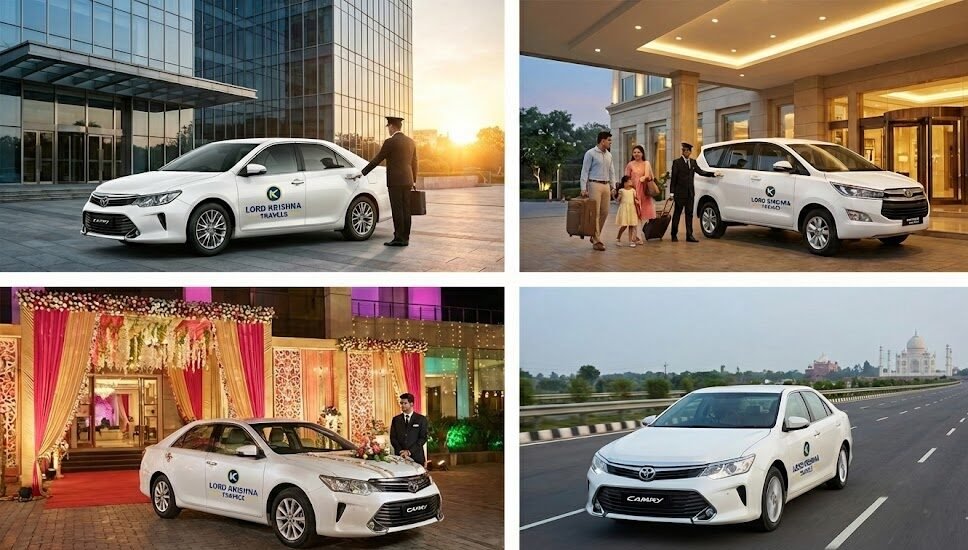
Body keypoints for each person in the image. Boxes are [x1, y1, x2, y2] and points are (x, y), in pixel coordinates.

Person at [354, 116, 418, 247]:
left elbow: (377, 159)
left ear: (392, 127)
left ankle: (399, 238)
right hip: (408, 180)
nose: (388, 130)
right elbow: (415, 162)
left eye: (388, 127)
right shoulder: (411, 142)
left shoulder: (390, 142)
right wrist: (414, 180)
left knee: (397, 210)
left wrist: (363, 172)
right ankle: (405, 237)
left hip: (395, 181)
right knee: (406, 210)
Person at [670, 142, 721, 242]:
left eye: (688, 151)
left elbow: (701, 171)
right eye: (685, 150)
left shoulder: (693, 162)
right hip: (680, 194)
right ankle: (673, 234)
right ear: (682, 151)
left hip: (690, 193)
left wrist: (713, 174)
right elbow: (674, 179)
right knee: (677, 214)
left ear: (690, 152)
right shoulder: (677, 162)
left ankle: (689, 235)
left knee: (689, 215)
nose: (687, 152)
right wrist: (672, 193)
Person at [579, 131, 616, 251]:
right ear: (602, 140)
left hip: (606, 185)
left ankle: (594, 234)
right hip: (594, 184)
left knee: (605, 212)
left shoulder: (609, 155)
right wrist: (583, 188)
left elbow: (612, 171)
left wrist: (613, 186)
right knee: (595, 213)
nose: (610, 142)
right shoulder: (590, 153)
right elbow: (584, 171)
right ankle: (596, 239)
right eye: (609, 140)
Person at [625, 144, 655, 245]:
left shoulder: (646, 163)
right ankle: (637, 236)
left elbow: (651, 177)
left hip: (644, 191)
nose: (636, 154)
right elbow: (626, 179)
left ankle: (637, 235)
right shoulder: (630, 165)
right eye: (634, 152)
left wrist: (644, 178)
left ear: (642, 153)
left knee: (642, 214)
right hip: (633, 191)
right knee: (635, 213)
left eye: (638, 152)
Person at [389, 393, 428, 465]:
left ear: (411, 404)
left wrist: (409, 451)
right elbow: (393, 438)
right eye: (401, 403)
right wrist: (400, 451)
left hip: (417, 457)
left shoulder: (421, 419)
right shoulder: (396, 419)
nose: (402, 405)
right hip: (400, 457)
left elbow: (423, 438)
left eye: (405, 403)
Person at [615, 176, 640, 247]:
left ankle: (631, 240)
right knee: (624, 225)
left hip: (632, 209)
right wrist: (616, 197)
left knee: (632, 225)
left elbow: (635, 198)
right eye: (629, 181)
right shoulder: (621, 190)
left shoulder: (633, 190)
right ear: (625, 183)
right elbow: (618, 200)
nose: (631, 182)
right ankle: (618, 238)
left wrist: (637, 201)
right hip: (624, 209)